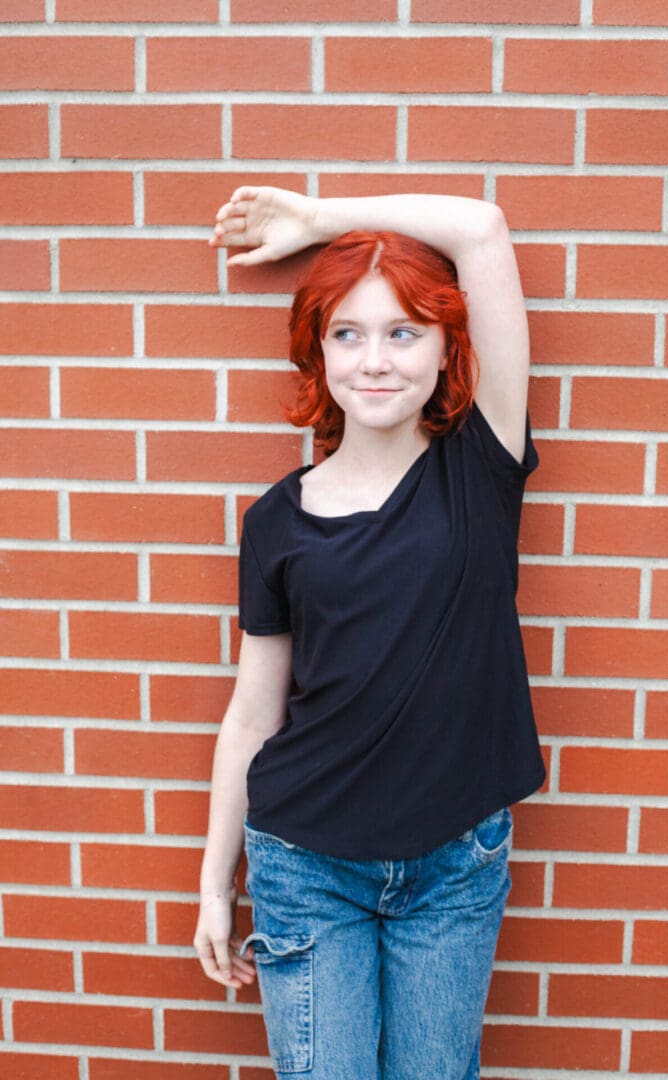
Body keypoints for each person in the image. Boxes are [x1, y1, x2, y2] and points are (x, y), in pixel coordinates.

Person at [194, 186, 546, 1079]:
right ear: (318, 351)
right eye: (348, 333)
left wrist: (317, 221)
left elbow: (481, 230)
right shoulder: (277, 520)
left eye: (404, 332)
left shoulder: (481, 464)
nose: (376, 361)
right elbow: (252, 712)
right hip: (305, 866)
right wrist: (213, 884)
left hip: (453, 865)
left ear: (442, 350)